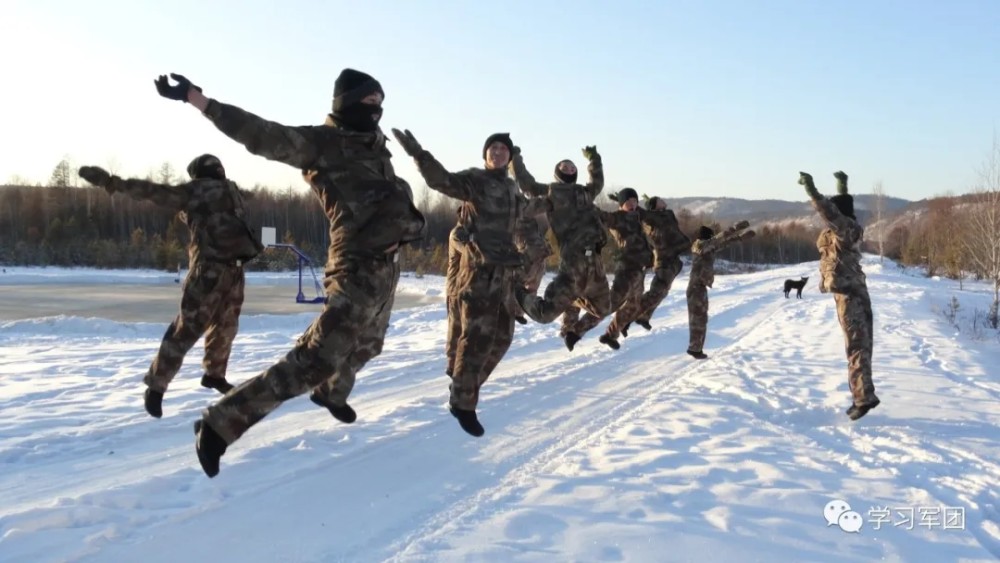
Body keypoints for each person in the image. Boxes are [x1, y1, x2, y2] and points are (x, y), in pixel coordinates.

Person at [152, 69, 426, 477]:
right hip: (356, 268)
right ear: (345, 102)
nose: (375, 108)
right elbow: (260, 133)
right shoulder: (323, 143)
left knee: (369, 345)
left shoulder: (375, 145)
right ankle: (218, 425)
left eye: (379, 102)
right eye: (367, 101)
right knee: (316, 358)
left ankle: (330, 394)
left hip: (387, 269)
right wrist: (198, 100)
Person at [78, 154, 262, 418]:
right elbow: (153, 192)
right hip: (208, 271)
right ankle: (156, 386)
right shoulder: (195, 192)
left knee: (225, 326)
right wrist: (112, 182)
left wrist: (113, 182)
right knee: (186, 329)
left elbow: (153, 191)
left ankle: (214, 375)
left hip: (234, 270)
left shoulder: (230, 190)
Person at [392, 128, 544, 437]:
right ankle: (463, 403)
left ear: (509, 157)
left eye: (503, 149)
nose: (498, 152)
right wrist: (419, 154)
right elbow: (441, 180)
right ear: (485, 155)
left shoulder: (512, 189)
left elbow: (528, 219)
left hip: (503, 275)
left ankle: (464, 382)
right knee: (474, 339)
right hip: (477, 273)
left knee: (502, 337)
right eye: (493, 149)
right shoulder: (477, 180)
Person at [509, 147, 611, 351]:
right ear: (558, 172)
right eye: (565, 166)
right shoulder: (551, 193)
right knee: (545, 314)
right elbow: (527, 184)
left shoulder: (585, 193)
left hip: (595, 264)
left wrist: (594, 160)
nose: (570, 168)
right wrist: (515, 159)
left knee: (603, 308)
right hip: (573, 265)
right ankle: (518, 293)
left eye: (573, 166)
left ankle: (573, 332)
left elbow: (597, 183)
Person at [800, 170, 880, 420]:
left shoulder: (845, 229)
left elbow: (830, 212)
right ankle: (864, 394)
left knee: (857, 346)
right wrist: (843, 187)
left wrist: (812, 191)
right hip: (850, 292)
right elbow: (841, 208)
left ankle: (863, 399)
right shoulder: (847, 227)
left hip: (850, 295)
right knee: (861, 345)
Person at [572, 187, 653, 350]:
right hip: (628, 269)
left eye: (635, 201)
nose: (632, 204)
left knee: (633, 305)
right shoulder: (617, 218)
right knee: (610, 305)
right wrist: (584, 201)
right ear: (621, 205)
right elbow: (600, 215)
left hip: (640, 270)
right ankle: (575, 329)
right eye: (628, 202)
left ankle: (610, 335)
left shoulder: (638, 217)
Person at [618, 196, 691, 337]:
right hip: (664, 260)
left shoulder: (666, 214)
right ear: (654, 205)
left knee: (661, 292)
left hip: (672, 260)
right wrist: (625, 200)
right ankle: (624, 318)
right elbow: (639, 212)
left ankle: (643, 317)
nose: (662, 200)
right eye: (659, 200)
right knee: (655, 293)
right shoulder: (652, 217)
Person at [686, 221, 755, 359]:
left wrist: (741, 237)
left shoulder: (707, 248)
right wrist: (735, 228)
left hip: (700, 287)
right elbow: (718, 239)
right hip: (695, 288)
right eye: (710, 238)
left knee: (702, 319)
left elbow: (724, 243)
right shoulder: (699, 245)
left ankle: (696, 348)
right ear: (706, 237)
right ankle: (694, 349)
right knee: (697, 319)